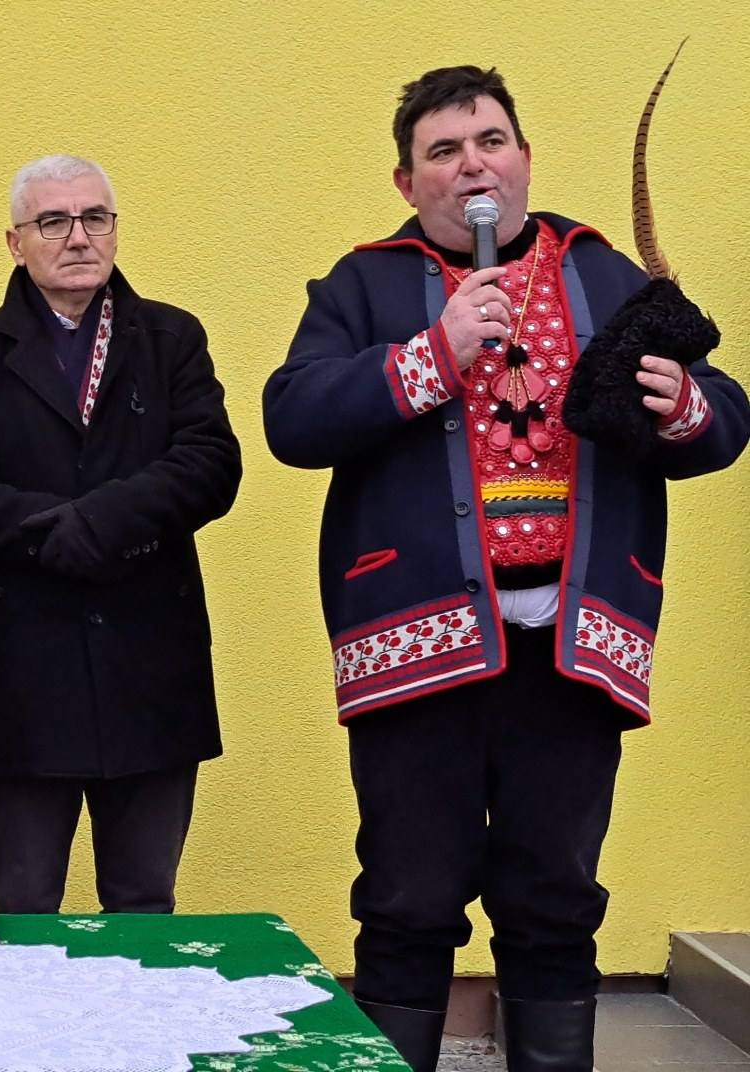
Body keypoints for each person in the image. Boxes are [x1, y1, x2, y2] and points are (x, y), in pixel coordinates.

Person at [263, 67, 748, 1072]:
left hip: (571, 647)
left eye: (489, 141)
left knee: (556, 900)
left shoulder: (603, 271)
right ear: (408, 183)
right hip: (417, 648)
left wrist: (682, 404)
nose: (472, 165)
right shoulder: (364, 283)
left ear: (524, 158)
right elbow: (292, 417)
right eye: (443, 151)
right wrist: (430, 353)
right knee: (407, 899)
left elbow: (722, 416)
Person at [0, 155, 241, 915]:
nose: (79, 237)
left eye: (95, 217)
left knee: (145, 903)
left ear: (115, 231)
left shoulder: (171, 339)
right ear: (15, 242)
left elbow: (210, 465)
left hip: (151, 665)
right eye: (53, 221)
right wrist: (53, 533)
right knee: (23, 904)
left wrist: (102, 521)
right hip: (24, 673)